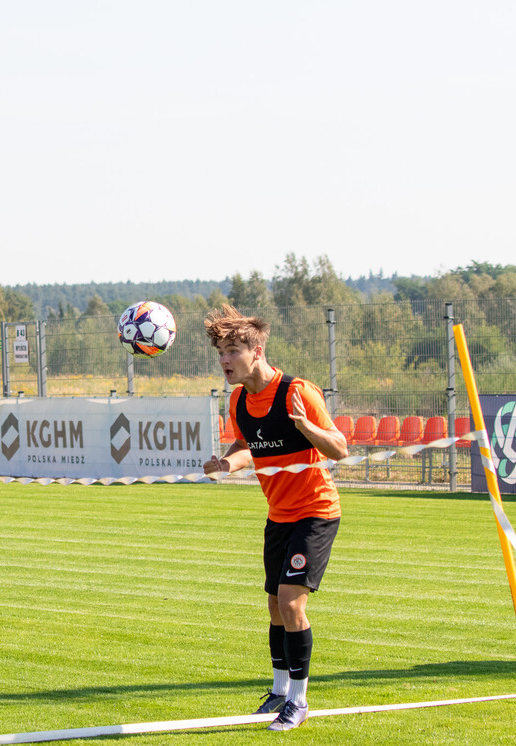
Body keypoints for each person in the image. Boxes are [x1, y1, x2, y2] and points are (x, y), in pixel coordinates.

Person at [202, 305, 347, 732]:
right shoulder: (239, 400)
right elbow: (251, 444)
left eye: (233, 350)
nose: (225, 360)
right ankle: (279, 692)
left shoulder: (298, 391)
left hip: (316, 511)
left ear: (257, 350)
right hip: (278, 514)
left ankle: (299, 703)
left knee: (291, 602)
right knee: (273, 606)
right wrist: (227, 464)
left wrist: (307, 427)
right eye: (221, 353)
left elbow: (339, 448)